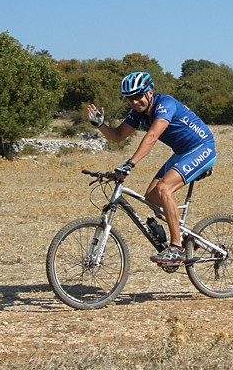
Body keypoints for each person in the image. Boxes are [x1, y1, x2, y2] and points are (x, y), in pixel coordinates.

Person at [87, 71, 216, 266]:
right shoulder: (138, 114)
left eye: (138, 96)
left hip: (202, 148)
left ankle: (176, 248)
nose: (134, 101)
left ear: (150, 92)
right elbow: (118, 135)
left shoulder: (165, 104)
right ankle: (184, 235)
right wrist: (100, 125)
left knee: (164, 189)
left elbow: (152, 136)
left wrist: (131, 163)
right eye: (130, 98)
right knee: (152, 196)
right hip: (182, 152)